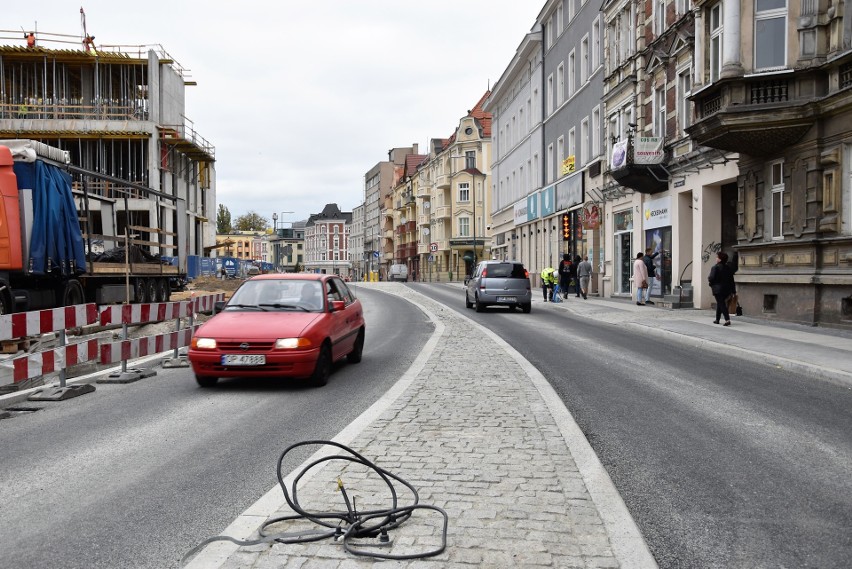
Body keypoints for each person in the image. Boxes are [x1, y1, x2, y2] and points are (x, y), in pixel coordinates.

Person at [708, 251, 736, 326]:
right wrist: (733, 291)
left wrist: (711, 284)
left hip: (718, 289)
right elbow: (732, 280)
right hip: (727, 289)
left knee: (721, 303)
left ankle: (727, 319)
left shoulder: (715, 267)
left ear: (720, 259)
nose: (716, 258)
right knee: (720, 303)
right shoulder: (728, 268)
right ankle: (717, 319)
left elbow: (711, 278)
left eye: (717, 257)